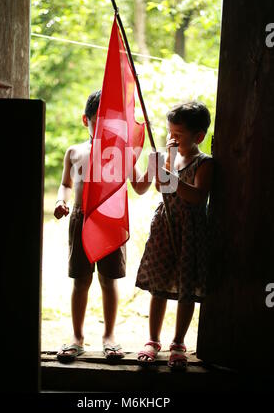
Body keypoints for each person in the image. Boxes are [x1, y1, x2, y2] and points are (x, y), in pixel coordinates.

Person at [53, 90, 152, 362]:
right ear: (86, 120)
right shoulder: (74, 152)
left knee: (108, 281)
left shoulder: (121, 153)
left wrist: (154, 164)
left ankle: (109, 336)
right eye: (99, 120)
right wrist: (61, 201)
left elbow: (140, 187)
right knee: (80, 280)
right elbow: (65, 184)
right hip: (80, 218)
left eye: (110, 121)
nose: (104, 127)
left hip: (110, 220)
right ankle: (77, 336)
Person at [134, 100, 214, 370]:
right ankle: (153, 339)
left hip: (190, 230)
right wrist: (162, 167)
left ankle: (178, 341)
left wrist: (170, 177)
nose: (172, 139)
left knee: (186, 287)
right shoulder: (170, 156)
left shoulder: (204, 164)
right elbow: (160, 187)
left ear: (198, 136)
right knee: (159, 284)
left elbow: (197, 196)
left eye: (178, 136)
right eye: (170, 133)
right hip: (164, 227)